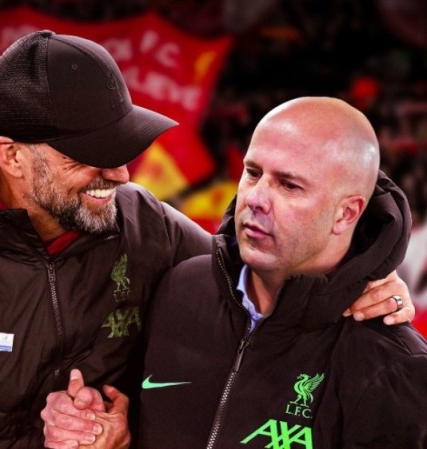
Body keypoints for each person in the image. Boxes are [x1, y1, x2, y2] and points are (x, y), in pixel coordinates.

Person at [0, 28, 413, 446]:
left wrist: (361, 272)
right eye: (89, 157)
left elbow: (253, 277)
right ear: (12, 156)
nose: (120, 175)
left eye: (121, 148)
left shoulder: (143, 223)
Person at [42, 97, 427, 449]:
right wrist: (114, 436)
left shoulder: (392, 366)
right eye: (253, 173)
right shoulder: (180, 287)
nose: (255, 198)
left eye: (289, 186)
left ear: (346, 213)